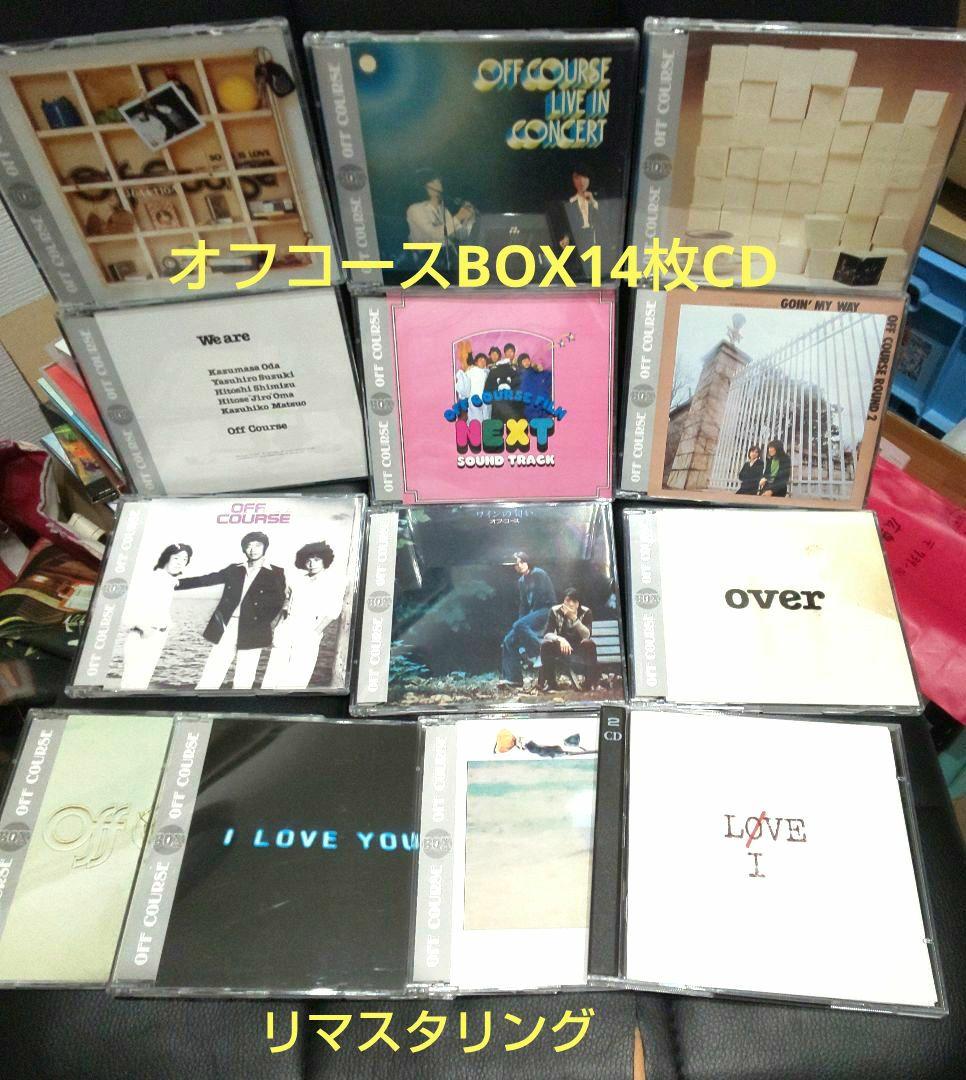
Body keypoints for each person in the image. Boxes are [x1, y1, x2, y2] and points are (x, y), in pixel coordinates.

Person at [176, 531, 286, 690]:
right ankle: (201, 700)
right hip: (227, 625)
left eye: (257, 545)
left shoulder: (276, 572)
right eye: (248, 546)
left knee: (245, 675)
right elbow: (208, 579)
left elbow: (277, 602)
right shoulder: (235, 569)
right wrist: (176, 583)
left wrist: (260, 622)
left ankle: (239, 703)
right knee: (213, 670)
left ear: (265, 548)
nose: (253, 549)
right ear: (244, 549)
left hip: (253, 628)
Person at [263, 541, 341, 690]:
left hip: (308, 629)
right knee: (273, 673)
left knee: (297, 675)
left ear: (324, 561)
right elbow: (286, 605)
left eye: (317, 560)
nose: (312, 564)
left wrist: (314, 633)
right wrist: (278, 627)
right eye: (308, 560)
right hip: (287, 627)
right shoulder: (297, 581)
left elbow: (333, 612)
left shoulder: (331, 582)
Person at [119, 543, 192, 690]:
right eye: (176, 558)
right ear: (167, 557)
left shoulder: (169, 580)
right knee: (132, 683)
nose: (180, 563)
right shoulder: (151, 578)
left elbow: (159, 608)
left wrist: (166, 626)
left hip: (157, 637)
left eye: (184, 560)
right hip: (142, 636)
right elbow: (129, 605)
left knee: (141, 683)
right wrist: (143, 628)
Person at [499, 551, 556, 688]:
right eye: (516, 564)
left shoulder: (538, 574)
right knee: (508, 640)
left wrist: (521, 623)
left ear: (527, 562)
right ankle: (514, 679)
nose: (519, 565)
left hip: (546, 610)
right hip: (533, 613)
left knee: (519, 625)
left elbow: (543, 598)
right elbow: (523, 605)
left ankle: (539, 652)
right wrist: (519, 624)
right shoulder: (521, 581)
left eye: (522, 562)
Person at [537, 587, 599, 691]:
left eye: (574, 601)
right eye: (568, 600)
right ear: (563, 601)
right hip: (561, 647)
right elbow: (547, 633)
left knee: (589, 643)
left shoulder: (586, 611)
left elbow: (587, 635)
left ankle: (590, 683)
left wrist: (574, 618)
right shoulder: (555, 611)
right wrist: (560, 639)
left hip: (579, 646)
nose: (571, 604)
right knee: (546, 644)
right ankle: (551, 683)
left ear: (578, 603)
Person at [405, 174, 476, 246]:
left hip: (446, 250)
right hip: (426, 251)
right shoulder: (415, 209)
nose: (438, 185)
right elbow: (434, 235)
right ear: (423, 187)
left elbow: (460, 236)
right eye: (432, 182)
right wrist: (458, 217)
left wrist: (467, 219)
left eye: (438, 182)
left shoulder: (444, 210)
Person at [558, 167, 600, 256]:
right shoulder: (570, 202)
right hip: (579, 242)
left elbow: (604, 222)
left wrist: (593, 202)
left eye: (584, 177)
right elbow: (567, 225)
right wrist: (566, 237)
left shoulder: (598, 200)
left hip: (597, 243)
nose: (581, 181)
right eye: (577, 177)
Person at [484, 342, 522, 422]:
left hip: (513, 402)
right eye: (507, 351)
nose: (509, 353)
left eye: (511, 351)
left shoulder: (517, 366)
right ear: (504, 353)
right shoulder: (494, 367)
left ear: (514, 353)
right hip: (498, 402)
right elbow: (490, 384)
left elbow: (519, 383)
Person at [464, 352, 491, 422]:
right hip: (474, 400)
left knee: (487, 420)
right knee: (475, 421)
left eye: (484, 361)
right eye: (481, 360)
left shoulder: (487, 372)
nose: (483, 362)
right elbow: (464, 384)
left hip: (485, 401)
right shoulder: (471, 371)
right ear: (476, 362)